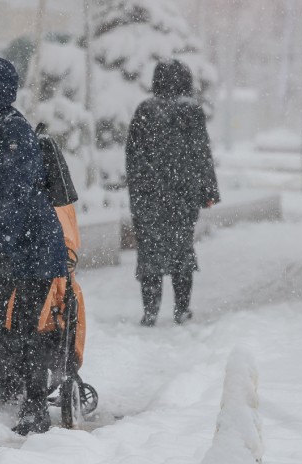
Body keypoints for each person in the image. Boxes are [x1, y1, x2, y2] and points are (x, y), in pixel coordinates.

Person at [0, 56, 68, 435]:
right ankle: (12, 383)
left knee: (26, 323)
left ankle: (36, 405)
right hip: (5, 238)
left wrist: (2, 236)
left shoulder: (15, 130)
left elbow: (22, 191)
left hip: (33, 239)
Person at [125, 59, 220, 327]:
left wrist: (138, 188)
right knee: (181, 252)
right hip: (182, 195)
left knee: (150, 254)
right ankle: (181, 309)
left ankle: (151, 311)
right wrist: (208, 191)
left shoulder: (144, 110)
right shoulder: (191, 111)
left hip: (149, 197)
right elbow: (202, 153)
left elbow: (132, 155)